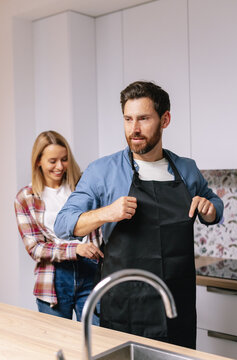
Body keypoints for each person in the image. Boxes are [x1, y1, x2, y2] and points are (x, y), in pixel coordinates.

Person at [54, 82, 223, 348]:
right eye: (128, 119)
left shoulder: (186, 169)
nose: (134, 129)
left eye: (143, 119)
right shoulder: (102, 171)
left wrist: (210, 210)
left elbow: (213, 204)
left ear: (165, 119)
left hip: (175, 307)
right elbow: (63, 224)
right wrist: (106, 213)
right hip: (124, 310)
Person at [14, 130, 103, 323]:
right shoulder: (25, 198)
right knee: (58, 346)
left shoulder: (83, 186)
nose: (60, 166)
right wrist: (75, 249)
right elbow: (35, 248)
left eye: (64, 159)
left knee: (97, 343)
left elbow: (101, 221)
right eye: (52, 161)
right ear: (38, 161)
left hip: (92, 270)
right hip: (53, 279)